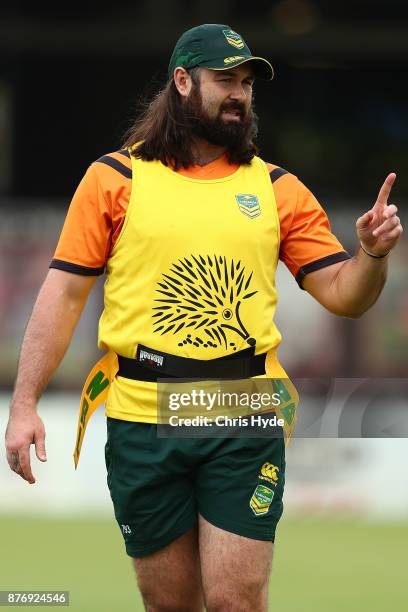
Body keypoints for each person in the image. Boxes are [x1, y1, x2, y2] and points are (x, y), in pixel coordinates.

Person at [5, 23, 403, 612]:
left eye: (246, 82)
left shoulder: (278, 189)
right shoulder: (113, 179)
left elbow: (346, 295)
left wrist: (370, 253)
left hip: (244, 407)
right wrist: (24, 404)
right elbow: (63, 296)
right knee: (170, 604)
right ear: (183, 82)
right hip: (142, 411)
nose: (239, 93)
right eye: (225, 79)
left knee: (236, 602)